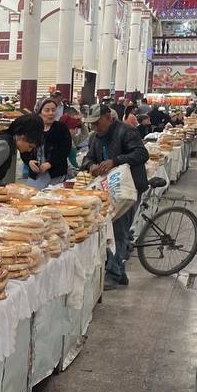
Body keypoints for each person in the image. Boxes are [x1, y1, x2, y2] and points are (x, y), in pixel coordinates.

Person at [82, 104, 149, 289]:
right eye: (92, 124)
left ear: (107, 116)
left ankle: (114, 272)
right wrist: (91, 166)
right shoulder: (95, 137)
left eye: (97, 122)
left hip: (129, 189)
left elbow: (142, 153)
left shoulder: (126, 132)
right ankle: (118, 270)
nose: (95, 127)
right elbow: (87, 158)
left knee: (119, 229)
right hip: (108, 190)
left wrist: (116, 161)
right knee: (111, 229)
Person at [27, 97, 74, 187]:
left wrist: (50, 163)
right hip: (35, 175)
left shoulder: (61, 128)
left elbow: (65, 150)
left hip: (56, 174)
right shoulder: (32, 129)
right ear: (39, 112)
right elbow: (24, 149)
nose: (51, 113)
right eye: (47, 110)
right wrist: (29, 161)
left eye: (53, 110)